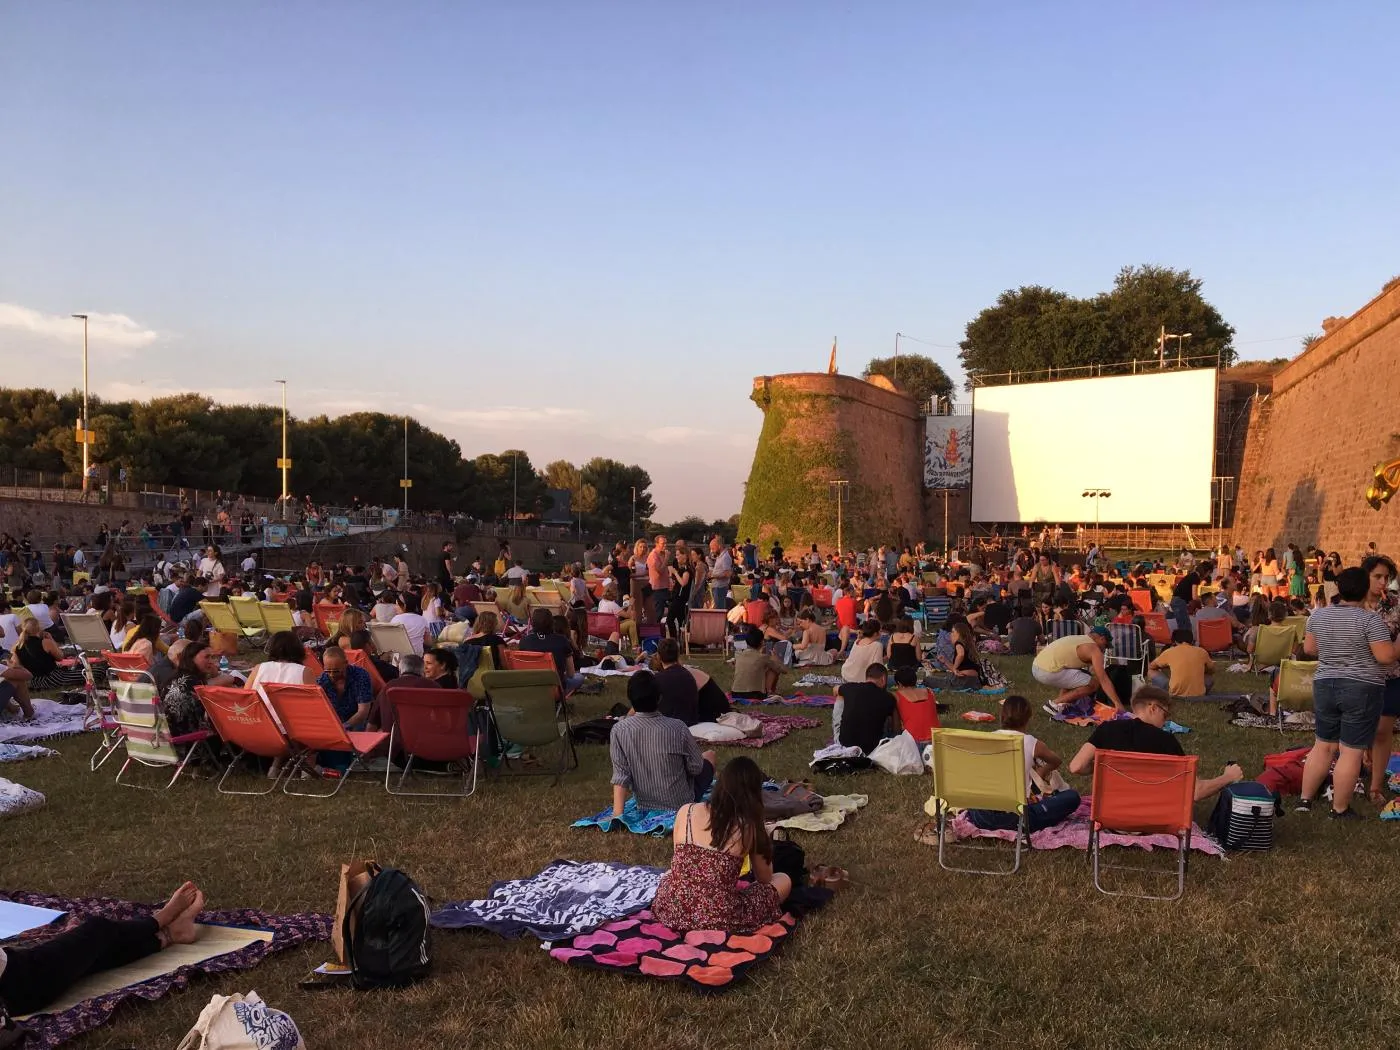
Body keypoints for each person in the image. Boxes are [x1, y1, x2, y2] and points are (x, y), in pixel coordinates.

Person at [0, 882, 208, 1017]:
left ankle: (170, 934)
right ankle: (160, 918)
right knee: (97, 929)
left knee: (92, 957)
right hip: (20, 983)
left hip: (15, 982)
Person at [1296, 566, 1399, 818]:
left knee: (1322, 745)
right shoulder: (1369, 619)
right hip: (1361, 687)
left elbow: (1309, 649)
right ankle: (1340, 807)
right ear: (1365, 589)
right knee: (1351, 750)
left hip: (1325, 683)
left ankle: (1304, 800)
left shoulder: (1319, 615)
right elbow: (1385, 657)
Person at [649, 756, 791, 933]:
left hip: (673, 909)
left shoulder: (686, 810)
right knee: (784, 880)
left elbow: (683, 864)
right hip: (719, 918)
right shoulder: (749, 825)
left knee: (670, 875)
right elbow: (764, 878)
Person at [1068, 685, 1243, 801]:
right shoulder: (1166, 741)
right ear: (1153, 708)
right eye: (1165, 715)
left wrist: (1101, 767)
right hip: (1153, 820)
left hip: (1110, 819)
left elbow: (1076, 767)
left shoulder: (1106, 729)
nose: (1165, 722)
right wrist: (1228, 777)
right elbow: (1195, 792)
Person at [964, 695, 1079, 833]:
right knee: (1071, 797)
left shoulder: (986, 739)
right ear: (1028, 718)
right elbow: (1056, 761)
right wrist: (1042, 771)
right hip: (1015, 818)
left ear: (1002, 716)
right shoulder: (1031, 742)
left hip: (980, 815)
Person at [609, 671, 716, 814]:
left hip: (644, 803)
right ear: (659, 698)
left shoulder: (619, 730)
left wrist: (617, 814)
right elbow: (696, 768)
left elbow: (621, 776)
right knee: (710, 755)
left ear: (631, 700)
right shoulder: (678, 727)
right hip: (682, 803)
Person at [1363, 554, 1400, 805]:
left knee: (1382, 731)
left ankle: (1375, 787)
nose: (1383, 582)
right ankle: (1362, 764)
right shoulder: (1350, 604)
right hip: (1359, 677)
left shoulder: (1396, 604)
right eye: (1377, 576)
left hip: (1392, 675)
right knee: (1359, 729)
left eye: (1387, 577)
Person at [1031, 627, 1124, 712]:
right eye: (1106, 645)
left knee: (1077, 674)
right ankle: (1054, 704)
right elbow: (1103, 679)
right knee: (1094, 684)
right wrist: (1117, 703)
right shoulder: (1094, 649)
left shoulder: (1079, 639)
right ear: (1102, 639)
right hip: (1047, 671)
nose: (1104, 649)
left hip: (1036, 667)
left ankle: (1060, 705)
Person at [161, 642, 238, 739]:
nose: (211, 661)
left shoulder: (173, 677)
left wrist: (214, 674)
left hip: (168, 735)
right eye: (206, 657)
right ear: (191, 659)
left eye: (211, 657)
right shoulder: (194, 682)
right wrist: (218, 675)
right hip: (189, 738)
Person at [517, 608, 585, 692]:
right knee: (580, 677)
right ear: (552, 622)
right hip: (556, 689)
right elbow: (571, 674)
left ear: (532, 623)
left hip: (530, 686)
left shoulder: (524, 641)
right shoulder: (561, 640)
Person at [836, 662, 897, 752]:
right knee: (889, 711)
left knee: (840, 696)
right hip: (872, 748)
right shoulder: (888, 697)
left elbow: (835, 690)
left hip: (845, 744)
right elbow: (896, 729)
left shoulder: (851, 687)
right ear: (883, 678)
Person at [11, 617, 85, 692]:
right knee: (88, 672)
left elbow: (16, 666)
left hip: (35, 682)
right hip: (53, 678)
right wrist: (51, 639)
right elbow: (60, 657)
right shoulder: (45, 642)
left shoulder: (17, 647)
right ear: (38, 628)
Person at [318, 644, 373, 730]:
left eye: (336, 671)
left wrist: (344, 727)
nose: (332, 675)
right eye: (328, 671)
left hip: (359, 721)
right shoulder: (322, 681)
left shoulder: (360, 675)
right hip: (336, 724)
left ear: (346, 664)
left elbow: (363, 712)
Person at [1148, 629, 1216, 698]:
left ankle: (1159, 692)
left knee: (1150, 671)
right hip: (1199, 694)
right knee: (1209, 678)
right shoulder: (1202, 651)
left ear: (1175, 641)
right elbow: (1212, 670)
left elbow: (1151, 666)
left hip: (1174, 693)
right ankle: (1197, 691)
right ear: (1192, 640)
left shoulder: (1169, 652)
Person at [653, 637, 700, 725]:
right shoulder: (688, 675)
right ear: (678, 655)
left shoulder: (658, 679)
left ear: (659, 656)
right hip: (690, 723)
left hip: (669, 727)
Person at [731, 627, 785, 700]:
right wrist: (775, 658)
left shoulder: (738, 654)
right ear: (762, 642)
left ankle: (768, 690)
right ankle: (769, 691)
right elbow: (783, 670)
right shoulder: (763, 657)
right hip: (754, 694)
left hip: (735, 693)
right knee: (773, 668)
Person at [841, 619, 885, 684]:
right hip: (860, 680)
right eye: (880, 631)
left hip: (846, 675)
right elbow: (878, 668)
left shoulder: (857, 641)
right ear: (876, 633)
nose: (881, 633)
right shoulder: (877, 645)